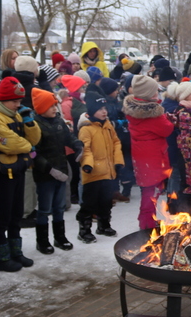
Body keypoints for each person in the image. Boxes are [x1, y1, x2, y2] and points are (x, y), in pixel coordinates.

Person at [0, 77, 42, 272]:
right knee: (2, 216)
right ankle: (0, 257)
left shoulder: (16, 115)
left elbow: (35, 138)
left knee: (16, 214)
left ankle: (15, 251)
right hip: (3, 173)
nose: (19, 105)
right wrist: (29, 148)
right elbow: (12, 143)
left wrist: (30, 122)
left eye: (20, 101)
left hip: (17, 170)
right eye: (15, 101)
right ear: (4, 100)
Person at [31, 88, 83, 253]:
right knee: (45, 208)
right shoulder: (35, 125)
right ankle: (42, 241)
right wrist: (49, 169)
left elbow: (69, 137)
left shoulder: (59, 121)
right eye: (50, 106)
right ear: (40, 108)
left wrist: (77, 145)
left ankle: (60, 237)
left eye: (55, 105)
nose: (55, 109)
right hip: (45, 174)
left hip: (62, 170)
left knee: (59, 207)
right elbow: (34, 153)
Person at [123, 75, 174, 230]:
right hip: (153, 160)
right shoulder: (153, 114)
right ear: (150, 95)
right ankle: (146, 225)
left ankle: (147, 220)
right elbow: (167, 129)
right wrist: (168, 118)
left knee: (148, 191)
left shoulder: (134, 111)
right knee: (151, 195)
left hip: (142, 158)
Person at [76, 93, 124, 242]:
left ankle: (104, 225)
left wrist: (118, 161)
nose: (104, 111)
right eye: (100, 109)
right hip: (93, 172)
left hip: (108, 171)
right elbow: (86, 149)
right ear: (91, 111)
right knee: (89, 203)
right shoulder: (86, 128)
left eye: (105, 108)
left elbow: (116, 142)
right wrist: (88, 165)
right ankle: (84, 230)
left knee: (106, 201)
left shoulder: (108, 125)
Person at [165, 82, 191, 214]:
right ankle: (185, 211)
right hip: (187, 156)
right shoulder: (182, 112)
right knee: (187, 183)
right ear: (185, 96)